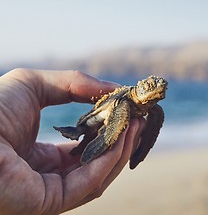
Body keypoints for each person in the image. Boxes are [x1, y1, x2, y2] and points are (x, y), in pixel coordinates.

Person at [0, 68, 145, 214]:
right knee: (102, 136)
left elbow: (153, 124)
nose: (158, 91)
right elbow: (113, 125)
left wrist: (140, 153)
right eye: (149, 87)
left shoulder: (153, 109)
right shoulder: (125, 99)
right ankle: (79, 137)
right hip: (100, 114)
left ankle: (82, 146)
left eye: (161, 89)